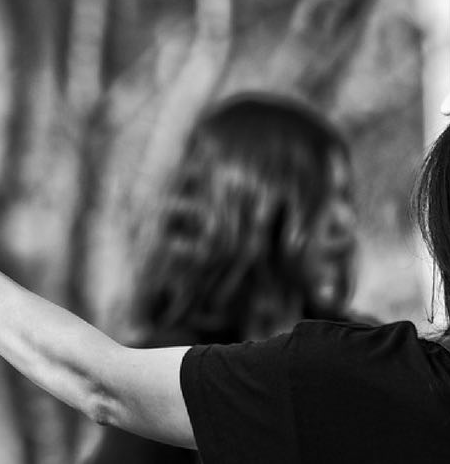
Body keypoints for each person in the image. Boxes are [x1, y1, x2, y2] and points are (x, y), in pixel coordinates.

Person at [0, 0, 450, 463]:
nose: (345, 225)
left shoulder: (349, 385)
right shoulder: (345, 371)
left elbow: (106, 385)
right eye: (325, 204)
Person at [80, 94, 363, 464]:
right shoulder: (173, 366)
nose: (345, 222)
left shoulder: (361, 349)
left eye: (347, 198)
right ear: (253, 204)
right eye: (324, 198)